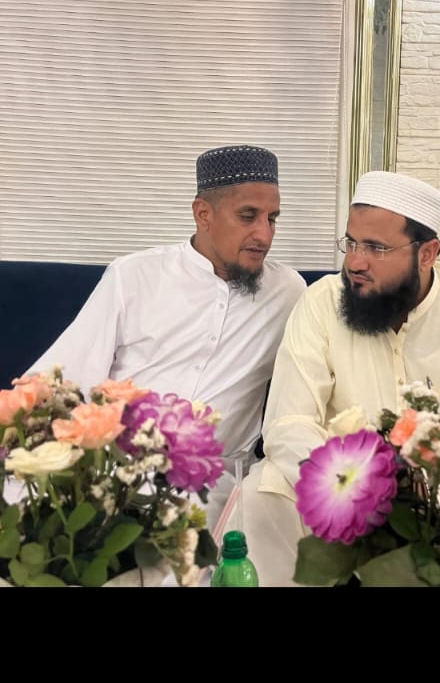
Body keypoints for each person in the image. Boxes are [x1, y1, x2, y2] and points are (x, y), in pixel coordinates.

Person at [241, 170, 440, 585]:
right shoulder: (322, 303)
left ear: (427, 253)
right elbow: (288, 422)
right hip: (343, 493)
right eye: (351, 243)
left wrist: (433, 494)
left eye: (376, 248)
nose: (354, 262)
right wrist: (350, 486)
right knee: (263, 490)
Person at [27, 144, 306, 519]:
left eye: (272, 219)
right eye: (248, 216)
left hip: (217, 486)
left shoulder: (288, 291)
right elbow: (64, 377)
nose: (264, 235)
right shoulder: (134, 276)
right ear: (203, 214)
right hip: (118, 473)